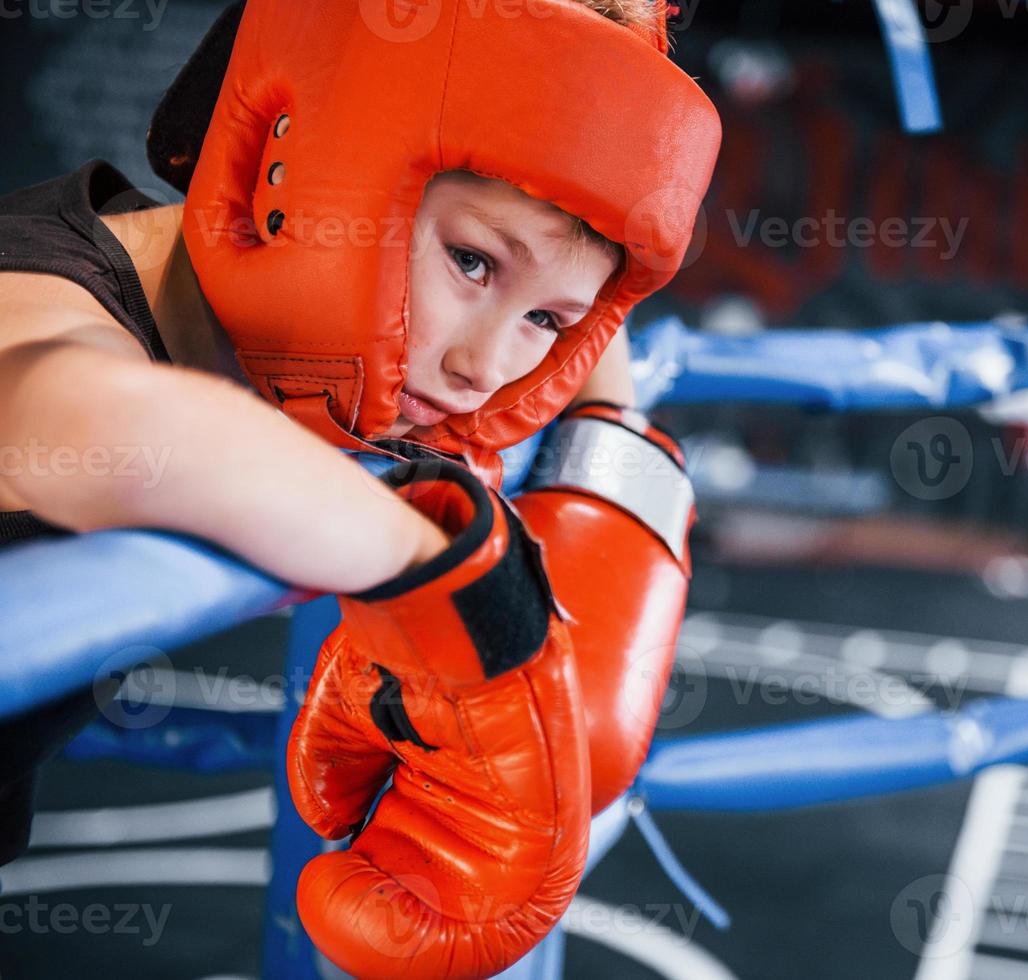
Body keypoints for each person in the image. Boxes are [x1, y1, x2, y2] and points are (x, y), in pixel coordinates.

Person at [0, 0, 720, 974]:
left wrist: (614, 459)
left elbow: (561, 274)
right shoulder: (39, 296)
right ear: (302, 158)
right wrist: (450, 583)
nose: (482, 368)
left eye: (547, 323)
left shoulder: (356, 314)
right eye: (469, 263)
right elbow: (95, 421)